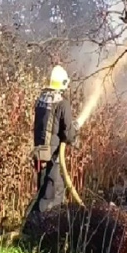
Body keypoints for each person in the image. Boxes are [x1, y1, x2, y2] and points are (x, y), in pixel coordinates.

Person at [29, 65, 79, 213]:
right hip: (53, 156)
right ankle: (44, 227)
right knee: (53, 193)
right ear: (63, 84)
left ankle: (39, 226)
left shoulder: (41, 101)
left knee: (44, 188)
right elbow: (68, 134)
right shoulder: (62, 104)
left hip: (39, 153)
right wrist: (74, 132)